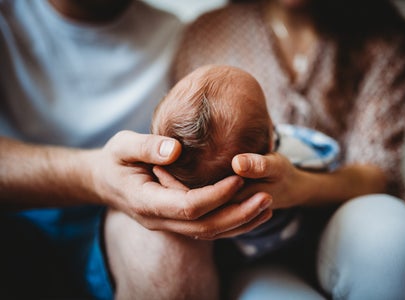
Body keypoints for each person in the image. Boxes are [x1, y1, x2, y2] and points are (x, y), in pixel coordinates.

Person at [174, 0, 405, 298]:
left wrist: (297, 185)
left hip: (346, 218)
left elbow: (378, 172)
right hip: (253, 250)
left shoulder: (383, 40)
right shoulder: (209, 32)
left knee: (396, 247)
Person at [0, 1, 274, 299]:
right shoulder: (8, 20)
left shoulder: (179, 37)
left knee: (173, 250)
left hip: (117, 223)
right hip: (16, 215)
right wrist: (95, 176)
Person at [152, 64, 340, 259]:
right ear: (270, 143)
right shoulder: (292, 156)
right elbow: (328, 154)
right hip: (304, 250)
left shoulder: (171, 191)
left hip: (233, 260)